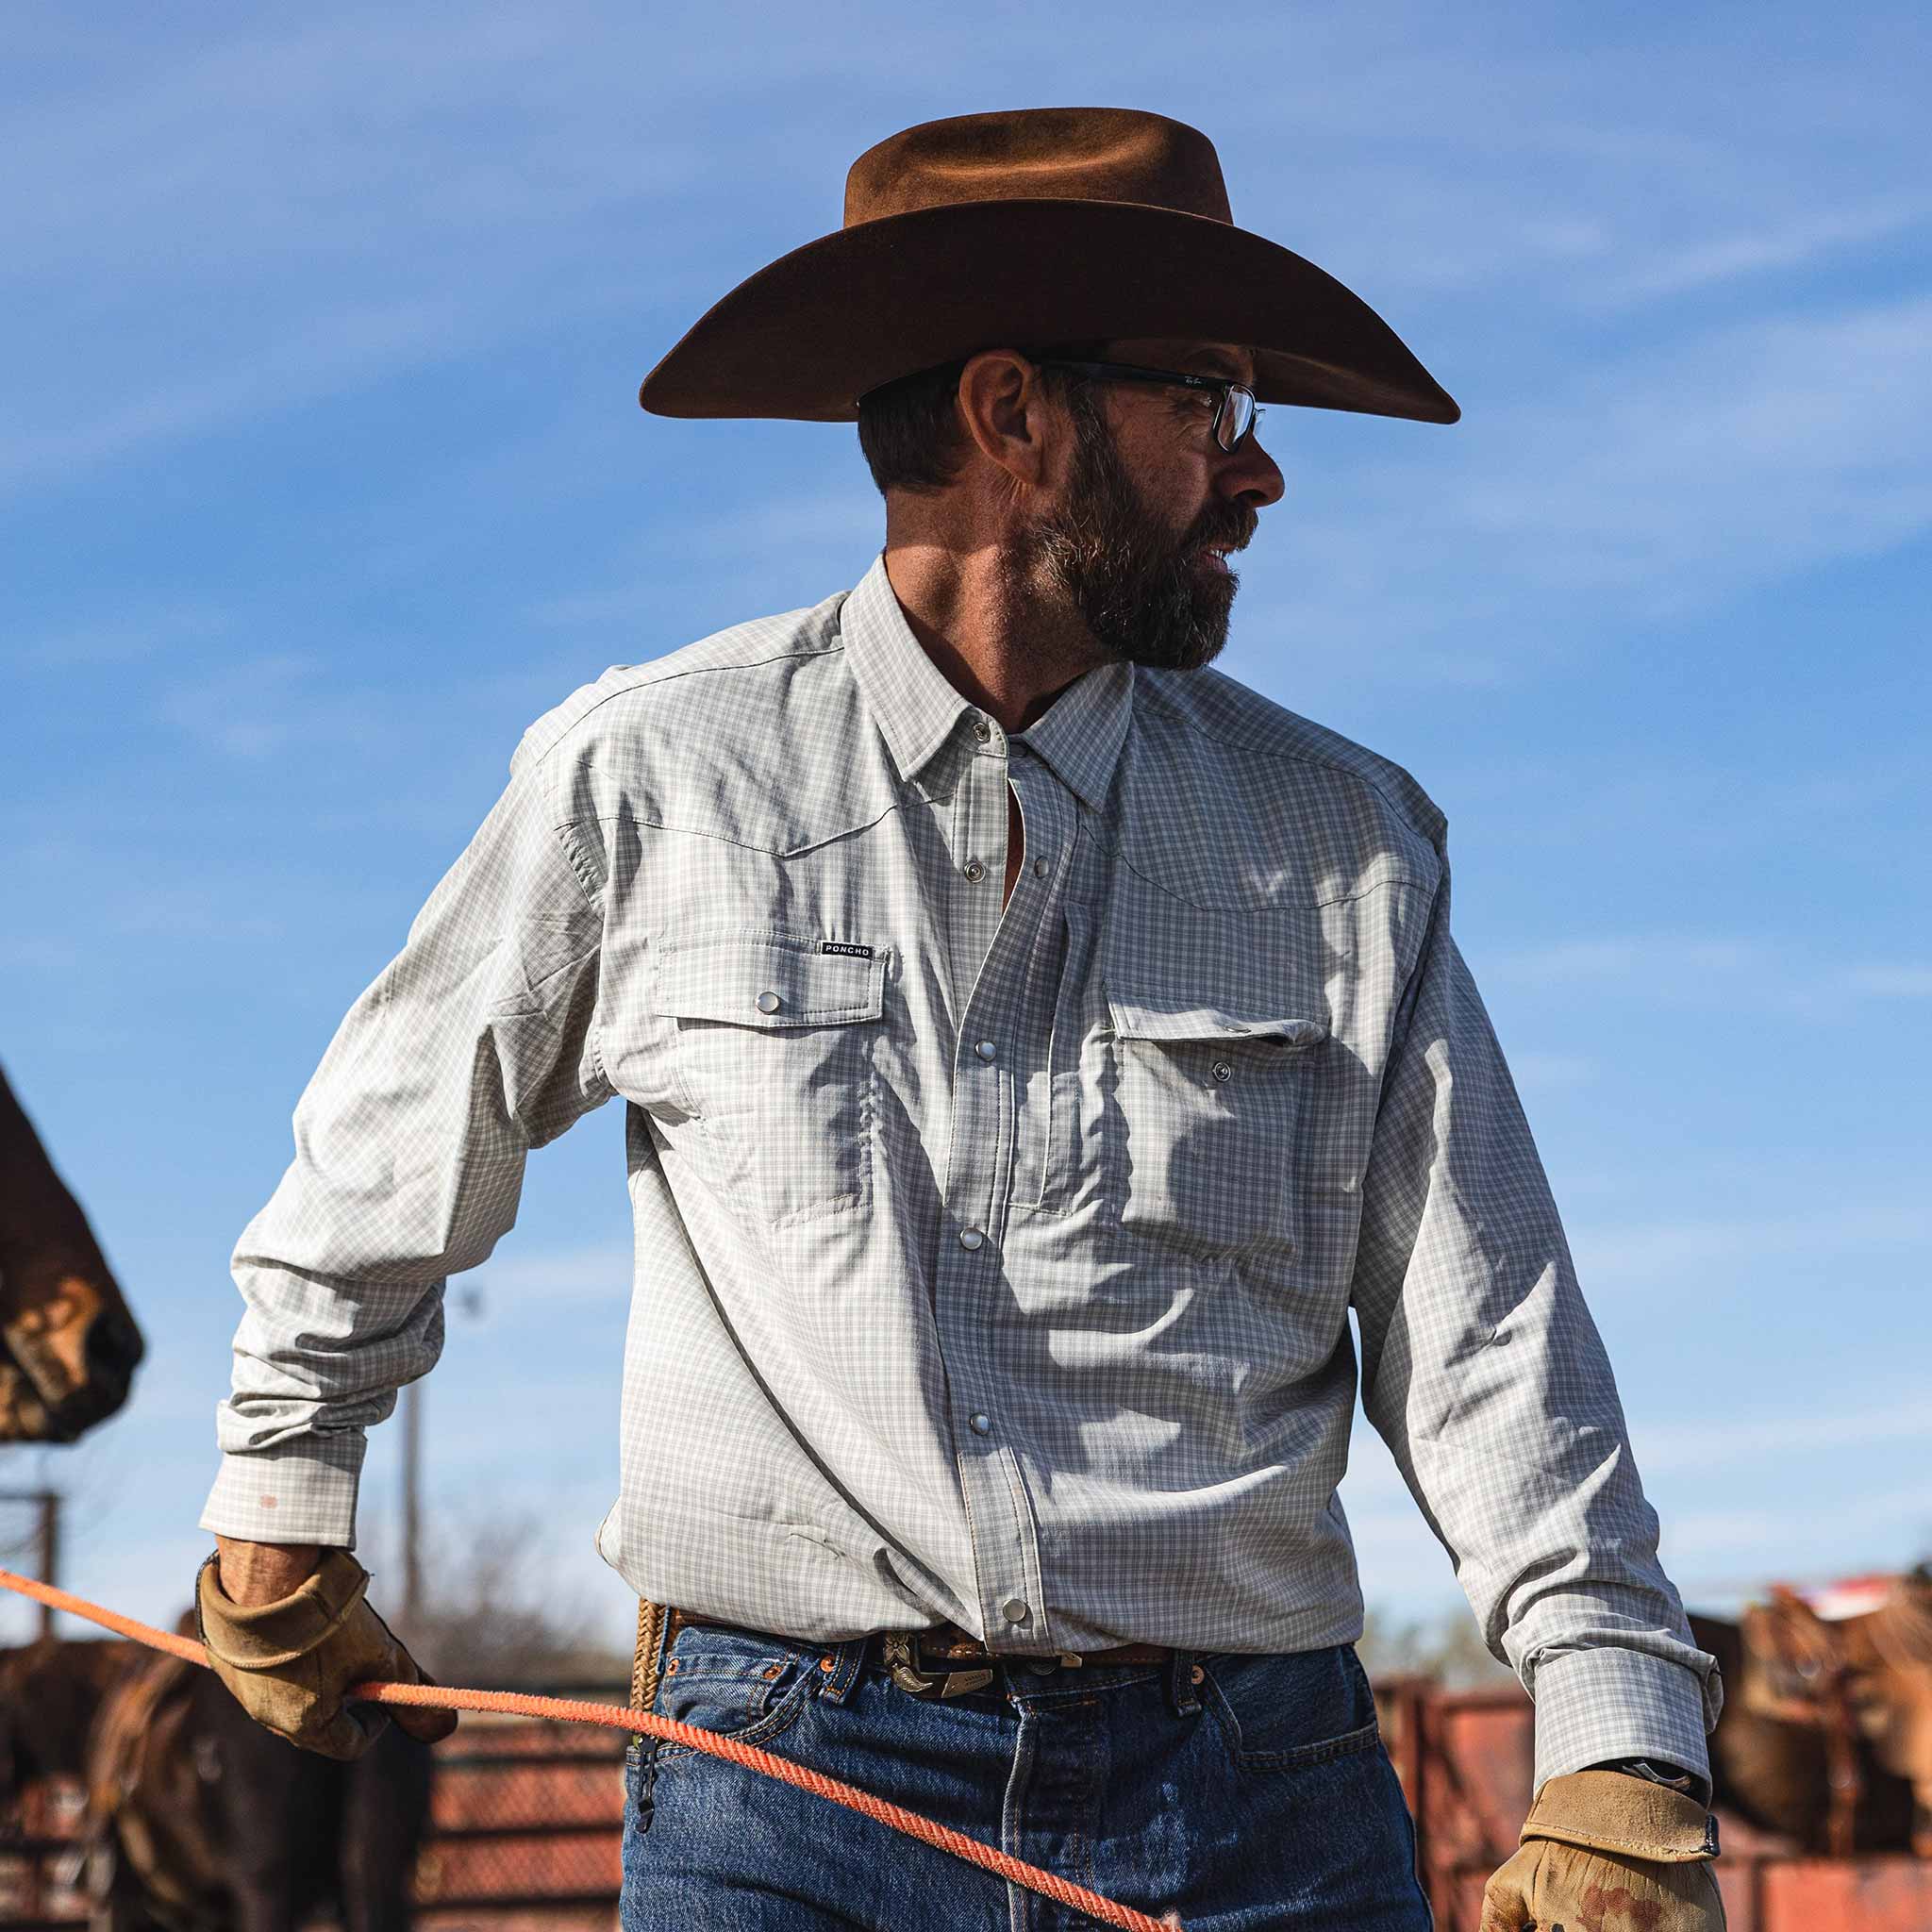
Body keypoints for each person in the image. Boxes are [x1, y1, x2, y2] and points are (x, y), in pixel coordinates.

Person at [194, 108, 1726, 1930]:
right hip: (785, 1793)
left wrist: (1617, 1725)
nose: (1261, 479)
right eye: (1212, 407)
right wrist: (283, 1488)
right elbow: (390, 1134)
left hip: (1258, 1804)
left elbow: (1486, 1327)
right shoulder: (655, 777)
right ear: (1016, 416)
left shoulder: (1347, 843)